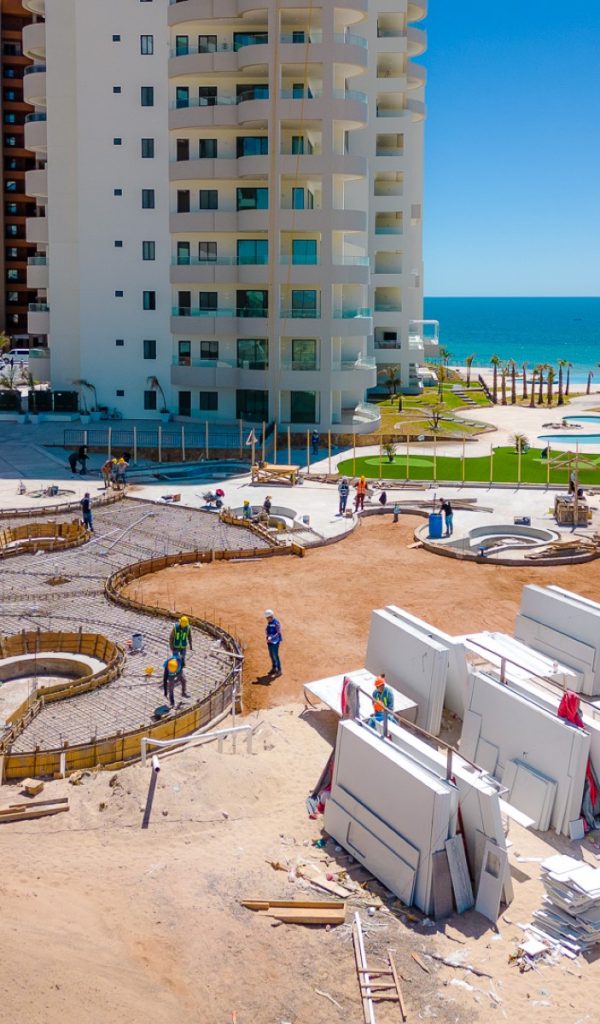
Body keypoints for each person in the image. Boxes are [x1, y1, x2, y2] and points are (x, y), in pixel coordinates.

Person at [264, 609, 282, 676]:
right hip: (270, 642)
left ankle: (279, 670)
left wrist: (271, 637)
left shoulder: (276, 623)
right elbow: (268, 630)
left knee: (276, 656)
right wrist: (267, 632)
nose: (267, 619)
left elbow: (278, 632)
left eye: (267, 618)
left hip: (275, 642)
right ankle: (274, 668)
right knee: (271, 655)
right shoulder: (269, 623)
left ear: (271, 617)